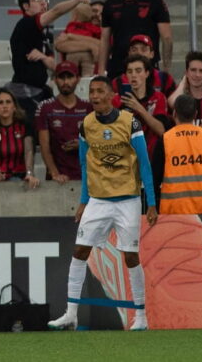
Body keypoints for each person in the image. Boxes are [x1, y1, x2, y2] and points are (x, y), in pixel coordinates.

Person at [48, 76, 157, 331]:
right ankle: (71, 314)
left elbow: (144, 163)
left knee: (130, 256)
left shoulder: (130, 122)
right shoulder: (86, 125)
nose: (94, 96)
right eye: (92, 91)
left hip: (127, 200)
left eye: (100, 91)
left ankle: (141, 316)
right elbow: (86, 166)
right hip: (98, 200)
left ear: (111, 95)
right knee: (79, 252)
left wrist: (150, 202)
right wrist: (84, 200)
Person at [8, 0, 92, 122]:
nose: (42, 3)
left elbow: (53, 66)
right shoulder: (25, 24)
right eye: (37, 0)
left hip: (41, 89)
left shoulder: (45, 33)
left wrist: (42, 57)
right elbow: (56, 11)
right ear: (25, 6)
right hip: (25, 91)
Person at [99, 0, 172, 78]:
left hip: (147, 69)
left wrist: (166, 69)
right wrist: (101, 71)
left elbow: (167, 38)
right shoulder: (110, 4)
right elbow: (105, 40)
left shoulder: (155, 2)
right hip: (118, 69)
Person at [151, 95, 202, 214]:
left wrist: (156, 204)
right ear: (195, 114)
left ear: (174, 114)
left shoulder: (165, 139)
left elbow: (154, 179)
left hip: (173, 209)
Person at [35, 61, 92, 183]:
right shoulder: (45, 108)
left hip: (86, 176)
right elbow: (45, 146)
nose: (66, 82)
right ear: (55, 79)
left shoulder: (88, 108)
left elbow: (98, 141)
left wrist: (82, 144)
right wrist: (55, 173)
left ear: (78, 79)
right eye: (61, 77)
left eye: (70, 77)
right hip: (58, 179)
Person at [112, 55, 170, 157]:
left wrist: (138, 108)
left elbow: (161, 131)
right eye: (129, 72)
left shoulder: (158, 97)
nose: (133, 75)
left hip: (152, 157)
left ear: (147, 73)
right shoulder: (118, 100)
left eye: (138, 71)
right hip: (127, 159)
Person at [0, 87, 39, 188]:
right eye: (0, 102)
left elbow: (29, 151)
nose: (5, 106)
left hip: (18, 178)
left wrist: (29, 173)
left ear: (14, 106)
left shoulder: (25, 126)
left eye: (8, 102)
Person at [167, 51, 202, 144]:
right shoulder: (182, 102)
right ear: (186, 73)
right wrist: (183, 82)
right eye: (193, 70)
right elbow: (172, 102)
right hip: (185, 156)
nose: (197, 75)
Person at [111, 34, 176, 98]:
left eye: (143, 49)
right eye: (134, 50)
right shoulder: (118, 82)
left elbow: (174, 105)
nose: (139, 53)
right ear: (129, 53)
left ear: (152, 54)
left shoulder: (164, 79)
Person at [54, 2, 100, 77]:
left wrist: (71, 37)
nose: (97, 15)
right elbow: (58, 45)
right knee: (87, 76)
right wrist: (90, 46)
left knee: (71, 73)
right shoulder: (92, 27)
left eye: (100, 13)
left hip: (71, 55)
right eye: (94, 11)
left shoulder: (70, 25)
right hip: (87, 56)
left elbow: (103, 45)